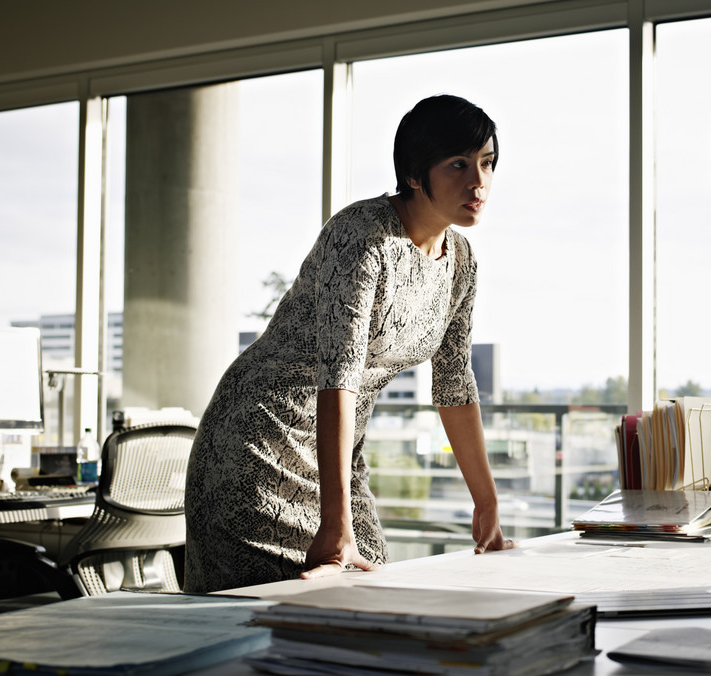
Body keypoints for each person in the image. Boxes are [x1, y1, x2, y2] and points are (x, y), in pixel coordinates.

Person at [184, 94, 516, 594]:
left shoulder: (462, 261)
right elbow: (339, 375)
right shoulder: (360, 234)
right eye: (457, 164)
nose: (479, 182)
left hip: (336, 456)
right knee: (259, 626)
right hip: (256, 445)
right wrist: (335, 521)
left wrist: (486, 504)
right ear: (413, 173)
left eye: (487, 163)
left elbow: (454, 382)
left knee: (373, 603)